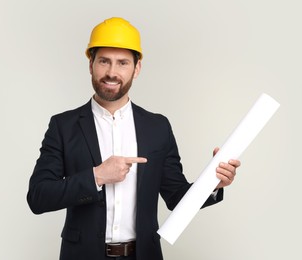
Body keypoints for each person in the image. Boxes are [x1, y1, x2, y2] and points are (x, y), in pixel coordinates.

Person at [27, 17, 241, 260]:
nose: (111, 72)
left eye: (122, 63)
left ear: (136, 69)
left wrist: (211, 184)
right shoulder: (63, 126)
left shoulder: (157, 127)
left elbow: (176, 197)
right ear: (91, 65)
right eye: (104, 61)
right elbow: (38, 196)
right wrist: (97, 176)